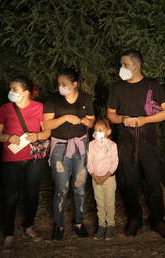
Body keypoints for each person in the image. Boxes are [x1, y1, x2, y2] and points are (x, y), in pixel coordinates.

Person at [107, 49, 165, 238]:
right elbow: (110, 115)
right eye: (121, 65)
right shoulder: (117, 88)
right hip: (125, 141)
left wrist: (144, 120)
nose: (122, 68)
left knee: (153, 181)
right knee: (128, 182)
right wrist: (123, 118)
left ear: (136, 65)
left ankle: (158, 220)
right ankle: (134, 218)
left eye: (125, 65)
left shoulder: (153, 86)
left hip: (148, 141)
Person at [0, 76, 50, 252]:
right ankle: (8, 234)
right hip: (11, 159)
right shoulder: (5, 109)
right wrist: (8, 137)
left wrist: (37, 136)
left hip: (35, 158)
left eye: (14, 89)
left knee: (32, 193)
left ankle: (29, 225)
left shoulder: (39, 108)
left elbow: (47, 131)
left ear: (26, 92)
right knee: (10, 196)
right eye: (10, 89)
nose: (10, 92)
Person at [44, 68, 94, 240]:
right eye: (59, 84)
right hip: (59, 148)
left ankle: (79, 222)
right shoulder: (52, 99)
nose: (61, 87)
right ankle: (59, 225)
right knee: (61, 189)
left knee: (79, 187)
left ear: (75, 84)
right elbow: (47, 125)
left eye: (64, 84)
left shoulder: (85, 98)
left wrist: (86, 121)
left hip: (81, 146)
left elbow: (92, 121)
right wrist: (65, 118)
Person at [87, 119, 119, 240]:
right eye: (95, 130)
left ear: (108, 131)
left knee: (109, 203)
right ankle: (101, 226)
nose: (97, 133)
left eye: (100, 130)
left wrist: (105, 177)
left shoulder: (112, 145)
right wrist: (94, 176)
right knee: (99, 203)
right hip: (96, 179)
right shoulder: (91, 145)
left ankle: (111, 225)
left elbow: (114, 162)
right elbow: (89, 162)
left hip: (108, 179)